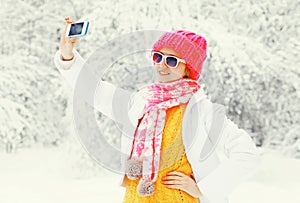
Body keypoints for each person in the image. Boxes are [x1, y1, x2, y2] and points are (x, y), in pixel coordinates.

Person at [54, 17, 261, 203]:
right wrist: (68, 55)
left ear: (188, 69)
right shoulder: (141, 102)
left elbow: (246, 153)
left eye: (172, 61)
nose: (162, 65)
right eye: (158, 57)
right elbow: (96, 91)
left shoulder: (202, 111)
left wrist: (202, 189)